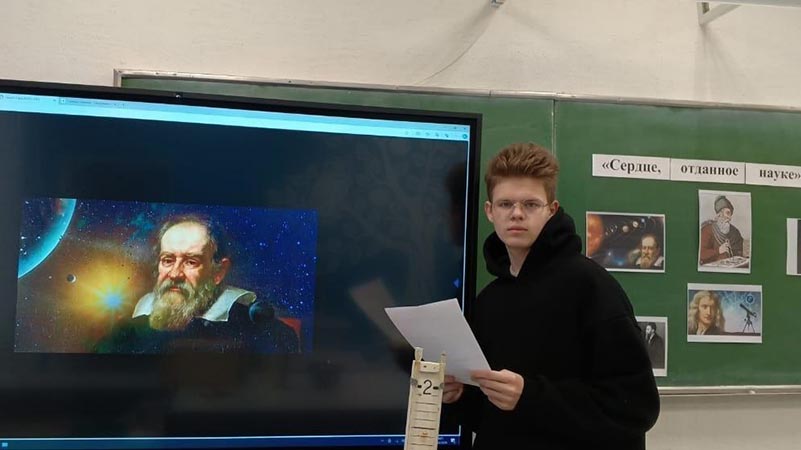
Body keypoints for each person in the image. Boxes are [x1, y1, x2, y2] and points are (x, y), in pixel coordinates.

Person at [442, 143, 659, 449]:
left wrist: (529, 397)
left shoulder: (592, 287)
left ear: (552, 210)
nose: (517, 214)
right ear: (490, 211)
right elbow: (490, 417)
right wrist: (459, 398)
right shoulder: (490, 300)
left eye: (531, 204)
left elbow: (636, 407)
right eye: (505, 204)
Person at [96, 215, 299, 354]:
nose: (175, 274)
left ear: (219, 271)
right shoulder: (125, 334)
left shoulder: (267, 335)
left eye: (191, 262)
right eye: (167, 260)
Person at [699, 195, 744, 265]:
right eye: (727, 213)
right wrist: (718, 251)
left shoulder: (735, 232)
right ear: (719, 215)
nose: (730, 218)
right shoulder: (707, 230)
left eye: (731, 214)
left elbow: (739, 254)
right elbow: (701, 254)